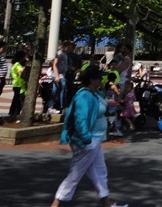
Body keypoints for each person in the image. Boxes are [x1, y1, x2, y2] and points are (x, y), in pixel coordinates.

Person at [51, 65, 127, 207]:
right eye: (99, 77)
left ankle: (107, 203)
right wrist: (86, 139)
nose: (101, 79)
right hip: (87, 141)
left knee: (100, 172)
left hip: (95, 140)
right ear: (92, 79)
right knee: (75, 174)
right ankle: (55, 204)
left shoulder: (94, 94)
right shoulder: (84, 95)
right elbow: (81, 119)